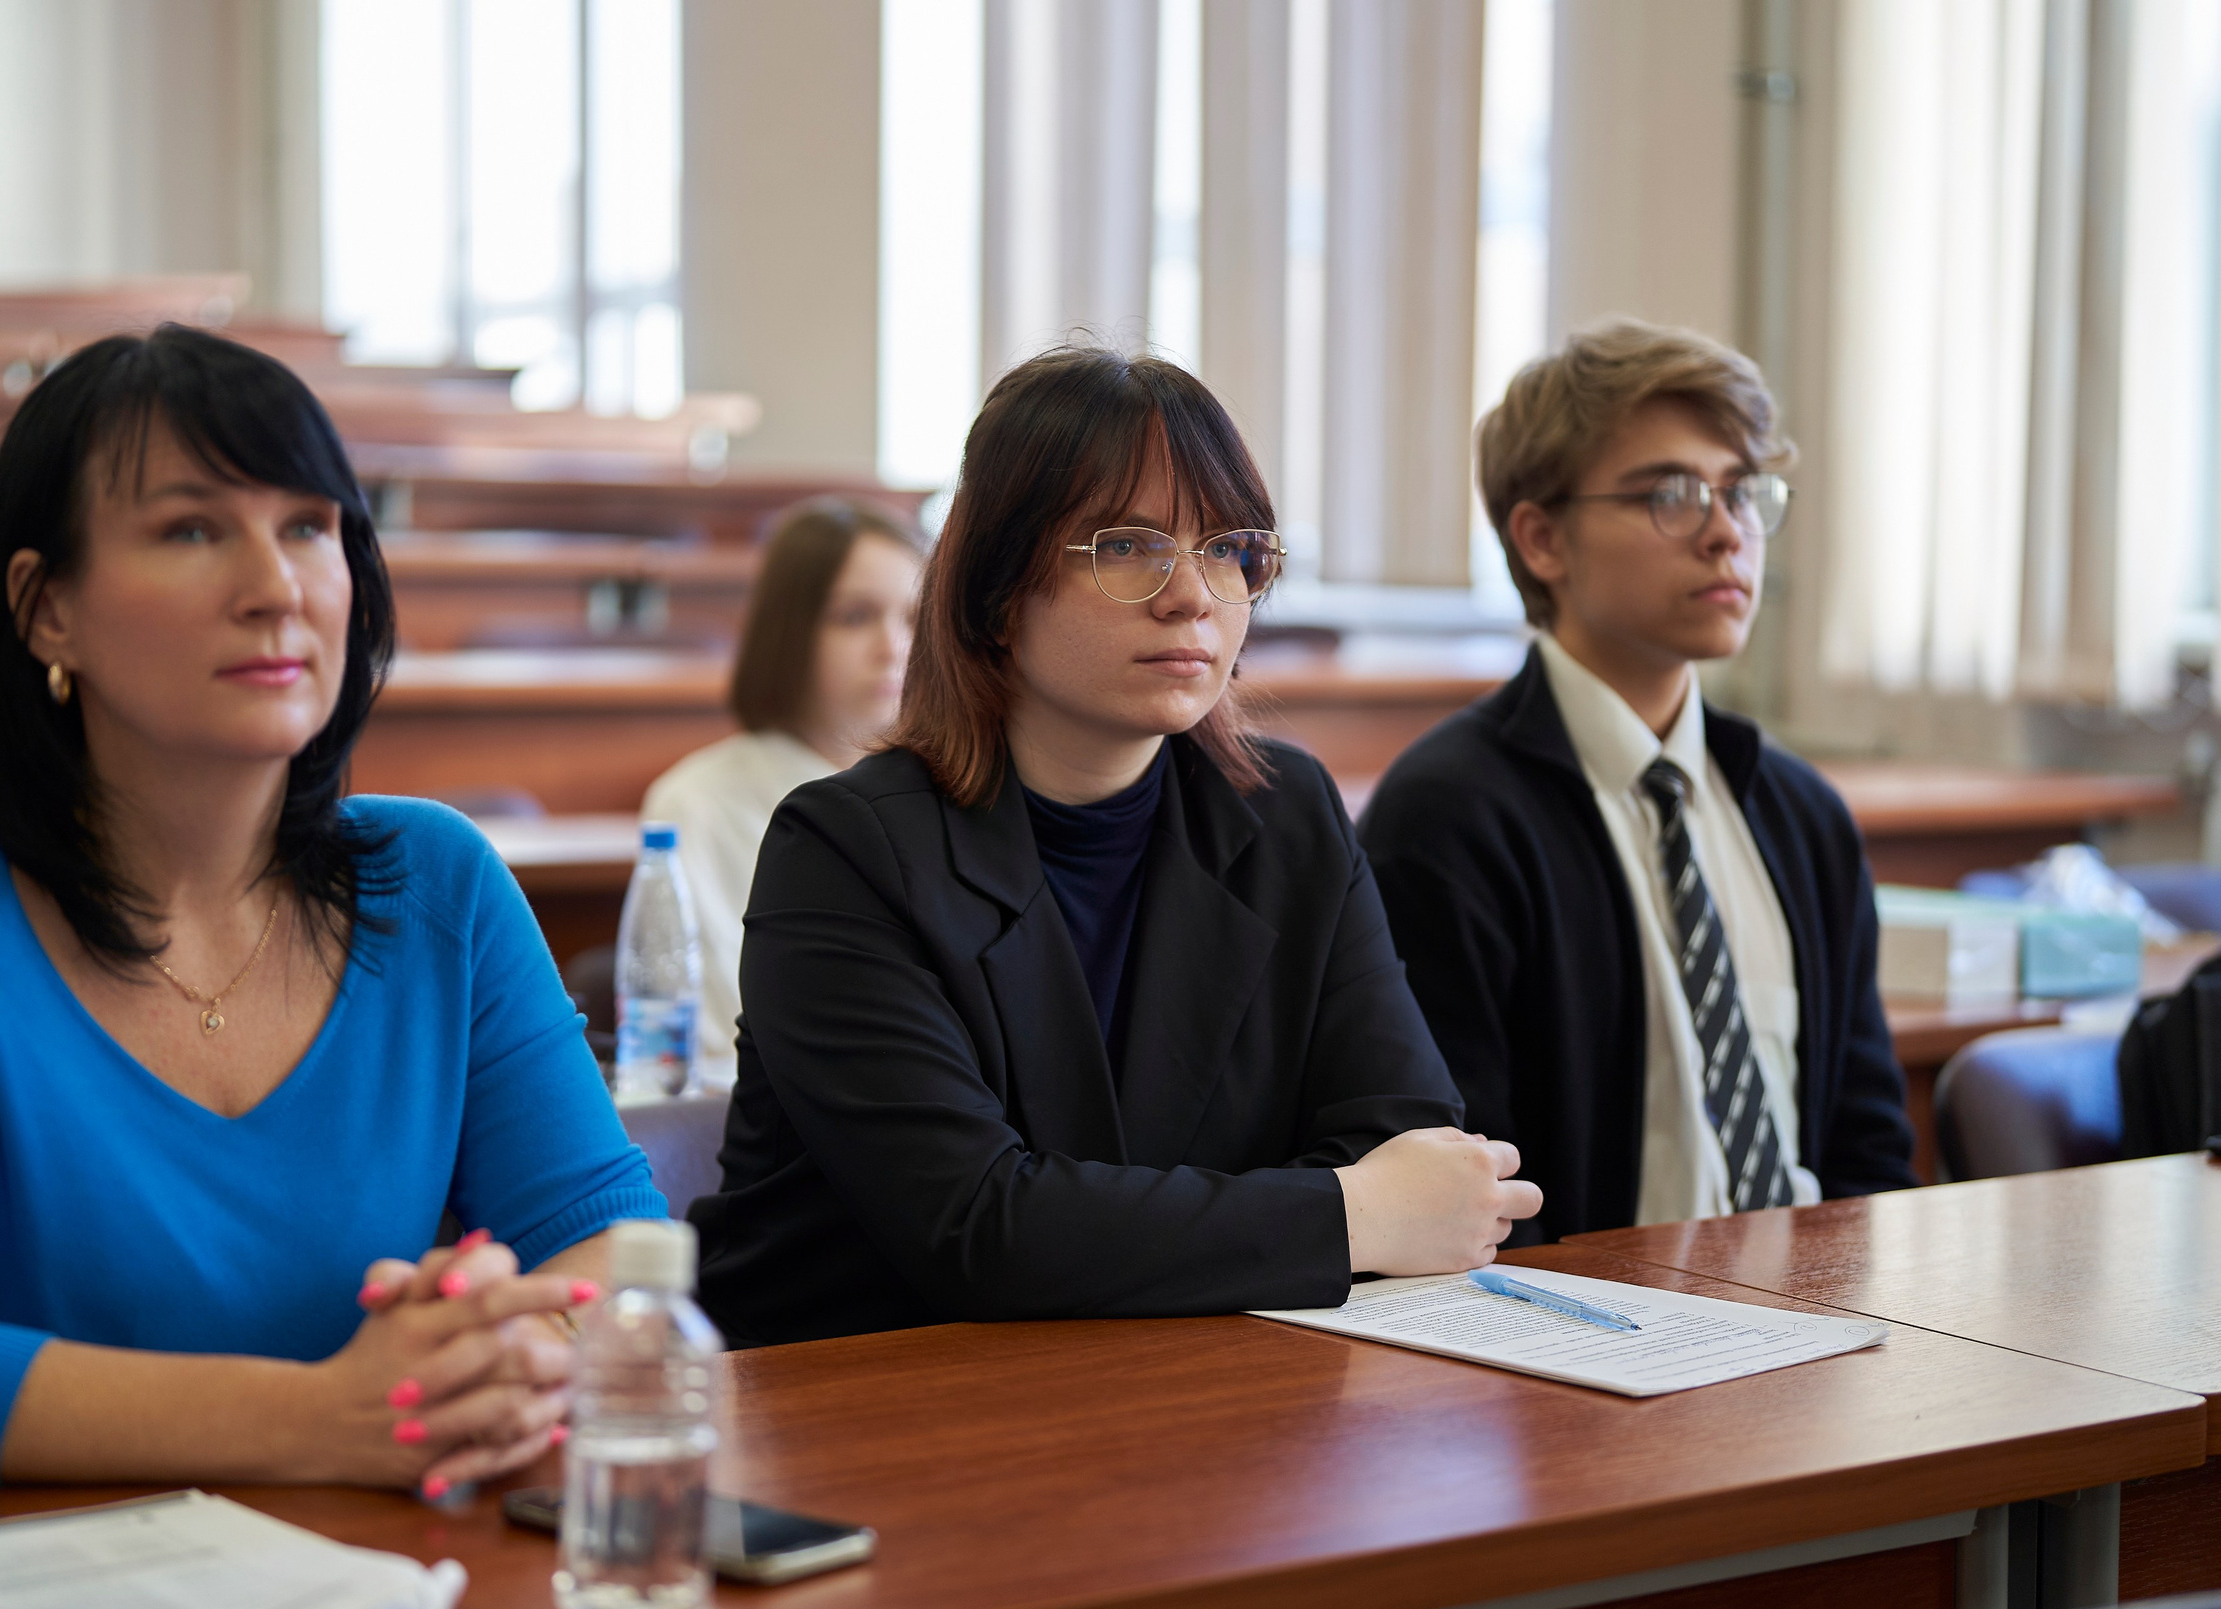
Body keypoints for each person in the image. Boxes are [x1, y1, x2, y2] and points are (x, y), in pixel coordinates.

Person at [0, 326, 669, 1489]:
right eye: (190, 529)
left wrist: (501, 1349)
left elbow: (618, 1256)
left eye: (309, 527)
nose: (274, 588)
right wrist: (318, 1420)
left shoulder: (438, 881)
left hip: (378, 1591)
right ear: (45, 609)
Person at [688, 345, 1540, 1347]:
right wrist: (1351, 1213)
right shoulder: (846, 849)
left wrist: (1130, 1224)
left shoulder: (1283, 814)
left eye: (1229, 548)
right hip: (872, 1412)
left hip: (1203, 1386)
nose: (1194, 596)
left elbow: (1409, 1145)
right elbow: (982, 1230)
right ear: (999, 590)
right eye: (1129, 547)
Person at [1359, 320, 1918, 1243]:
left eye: (1743, 494)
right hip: (1583, 1345)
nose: (1726, 533)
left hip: (1806, 1330)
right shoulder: (1451, 816)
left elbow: (1868, 1149)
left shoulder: (1800, 814)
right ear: (1542, 539)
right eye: (1672, 493)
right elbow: (1461, 1180)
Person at [641, 498, 921, 1085]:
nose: (893, 646)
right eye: (854, 617)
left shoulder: (946, 786)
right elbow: (724, 1031)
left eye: (914, 618)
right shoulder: (697, 802)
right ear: (788, 631)